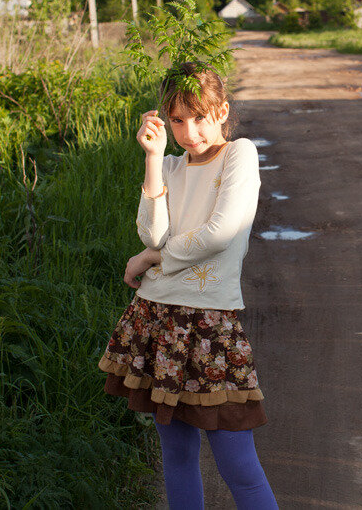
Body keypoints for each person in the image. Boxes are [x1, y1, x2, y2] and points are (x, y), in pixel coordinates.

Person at [98, 62, 278, 509]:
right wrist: (154, 159)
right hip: (158, 318)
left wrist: (155, 258)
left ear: (222, 111)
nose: (189, 131)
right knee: (176, 456)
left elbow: (220, 233)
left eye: (199, 116)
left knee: (237, 464)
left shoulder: (240, 153)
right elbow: (151, 233)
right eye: (177, 120)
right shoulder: (173, 167)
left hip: (211, 325)